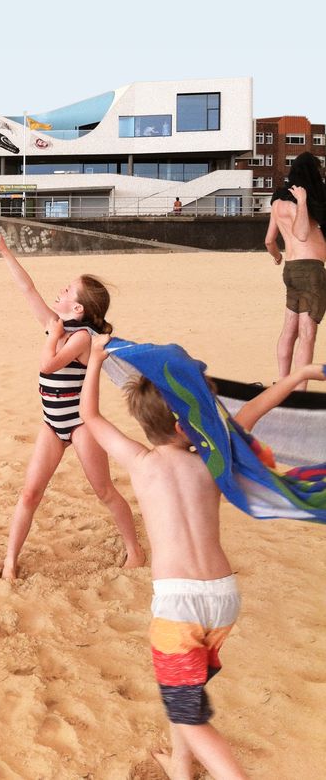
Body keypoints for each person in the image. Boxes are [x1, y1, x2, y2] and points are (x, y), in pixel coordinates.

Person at [82, 333, 326, 780]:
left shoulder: (141, 462)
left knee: (191, 716)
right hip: (223, 600)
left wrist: (95, 359)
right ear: (186, 424)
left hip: (179, 609)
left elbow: (89, 415)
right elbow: (255, 410)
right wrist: (299, 375)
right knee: (185, 693)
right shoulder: (213, 460)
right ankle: (180, 767)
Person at [0, 233, 144, 580]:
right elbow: (28, 290)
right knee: (30, 492)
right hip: (51, 422)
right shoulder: (58, 325)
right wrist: (4, 250)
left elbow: (48, 365)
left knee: (104, 490)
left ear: (78, 309)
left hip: (80, 424)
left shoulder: (81, 337)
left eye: (66, 291)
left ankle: (135, 549)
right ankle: (11, 561)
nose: (59, 291)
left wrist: (54, 334)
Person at [265, 152, 326, 387]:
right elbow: (301, 234)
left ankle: (282, 384)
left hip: (290, 269)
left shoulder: (277, 201)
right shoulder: (299, 200)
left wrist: (277, 258)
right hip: (310, 271)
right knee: (307, 333)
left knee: (289, 330)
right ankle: (300, 391)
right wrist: (302, 202)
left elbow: (270, 241)